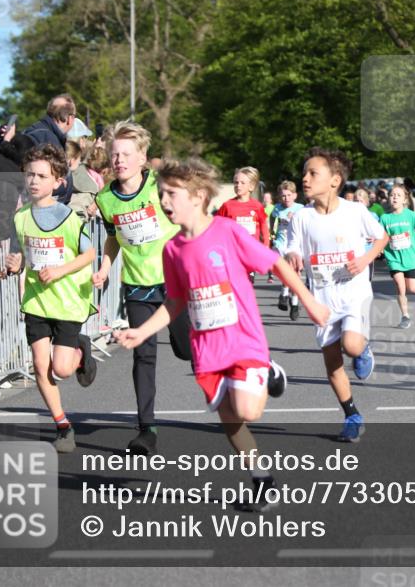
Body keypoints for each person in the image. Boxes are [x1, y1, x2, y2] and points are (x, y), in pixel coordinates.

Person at [116, 159, 329, 506]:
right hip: (208, 349)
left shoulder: (227, 232)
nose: (164, 201)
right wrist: (141, 332)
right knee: (230, 420)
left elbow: (274, 262)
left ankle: (268, 370)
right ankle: (262, 480)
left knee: (247, 410)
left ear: (198, 196)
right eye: (161, 194)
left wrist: (308, 302)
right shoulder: (172, 250)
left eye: (171, 193)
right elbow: (175, 302)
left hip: (243, 339)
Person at [92, 121, 189, 455]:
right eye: (114, 154)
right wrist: (105, 266)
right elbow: (112, 237)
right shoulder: (105, 198)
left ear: (143, 157)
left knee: (186, 350)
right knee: (143, 356)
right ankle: (146, 428)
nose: (119, 160)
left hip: (174, 282)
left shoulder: (158, 187)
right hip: (137, 287)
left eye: (126, 154)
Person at [285, 147, 388, 442]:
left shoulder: (355, 211)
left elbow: (381, 238)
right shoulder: (301, 217)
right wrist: (293, 255)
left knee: (352, 346)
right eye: (304, 173)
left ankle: (364, 349)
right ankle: (352, 415)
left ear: (334, 180)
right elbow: (293, 245)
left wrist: (365, 259)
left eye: (312, 173)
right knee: (332, 364)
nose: (305, 178)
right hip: (322, 297)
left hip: (353, 292)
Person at [4, 144, 98, 453]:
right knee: (40, 367)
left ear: (57, 181)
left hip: (68, 301)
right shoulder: (20, 218)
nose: (33, 181)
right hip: (36, 302)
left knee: (63, 369)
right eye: (30, 174)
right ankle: (62, 426)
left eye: (41, 176)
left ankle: (80, 351)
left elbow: (90, 255)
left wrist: (59, 270)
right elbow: (23, 254)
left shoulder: (70, 219)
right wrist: (15, 262)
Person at [380, 184, 415, 329]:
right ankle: (405, 316)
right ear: (389, 199)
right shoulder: (385, 218)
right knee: (400, 287)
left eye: (398, 195)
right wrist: (380, 248)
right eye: (392, 195)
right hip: (394, 258)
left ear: (404, 200)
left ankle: (406, 309)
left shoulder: (411, 215)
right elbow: (380, 236)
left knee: (413, 289)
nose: (394, 197)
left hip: (411, 258)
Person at [217, 167, 270, 283]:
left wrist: (266, 247)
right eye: (236, 182)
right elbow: (217, 226)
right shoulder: (227, 206)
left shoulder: (257, 206)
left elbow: (264, 228)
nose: (238, 185)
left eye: (242, 183)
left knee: (248, 283)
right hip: (232, 252)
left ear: (251, 186)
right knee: (233, 283)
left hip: (250, 252)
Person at [271, 180, 305, 320]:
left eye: (289, 195)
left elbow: (305, 227)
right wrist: (271, 232)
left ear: (295, 195)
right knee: (287, 270)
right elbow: (272, 221)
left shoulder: (301, 209)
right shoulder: (277, 208)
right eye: (283, 195)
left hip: (296, 244)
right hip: (281, 243)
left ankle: (293, 302)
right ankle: (285, 294)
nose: (286, 198)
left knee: (295, 273)